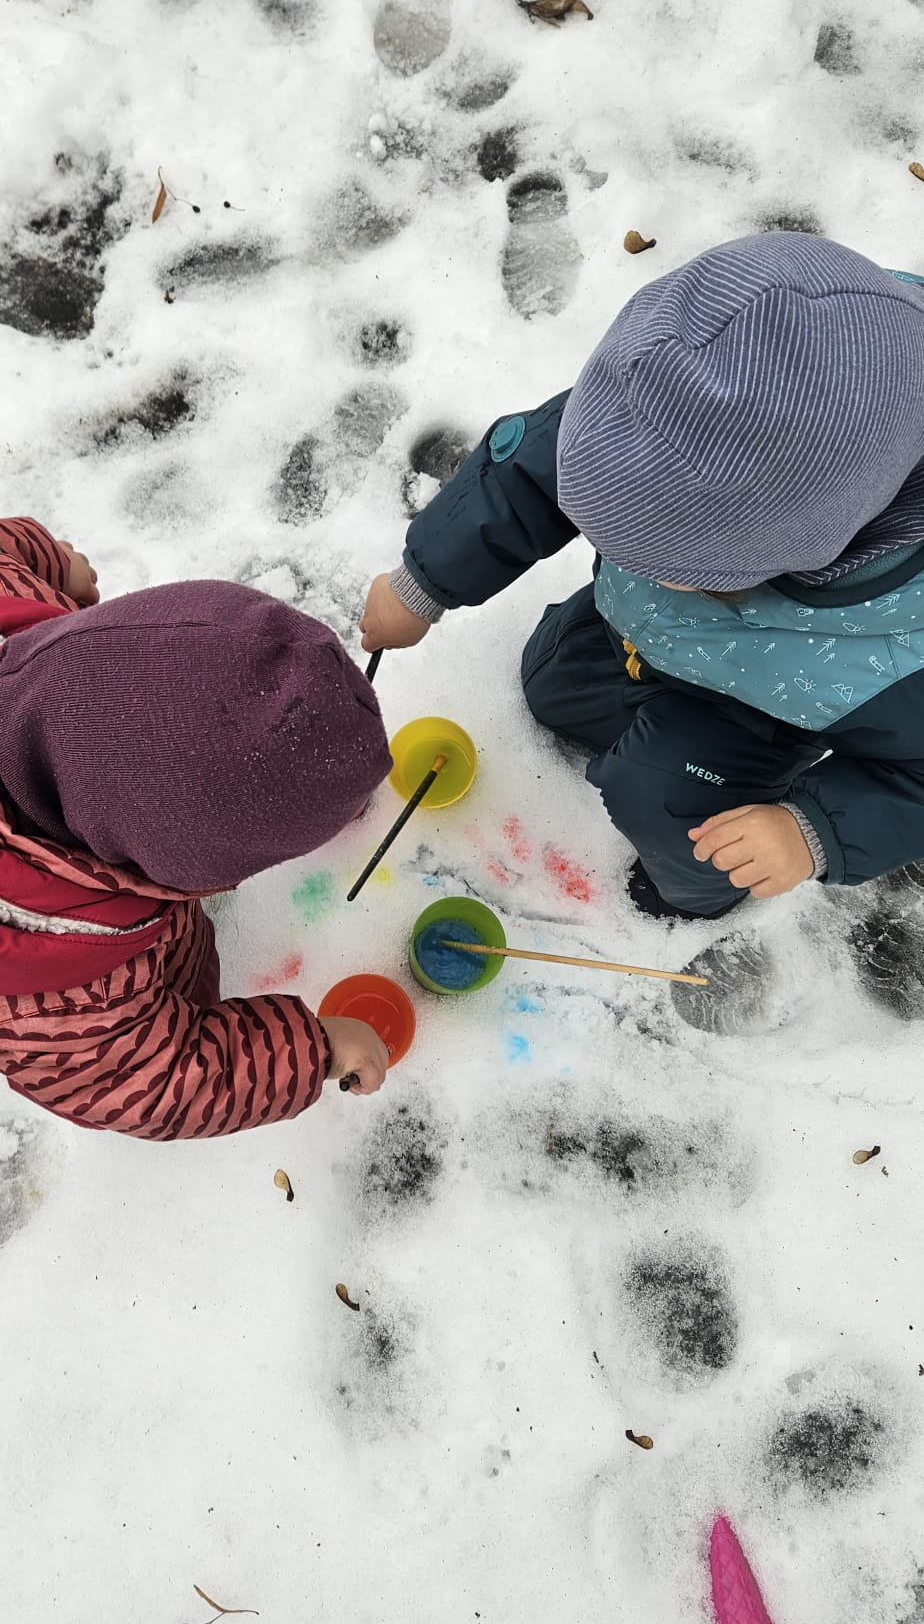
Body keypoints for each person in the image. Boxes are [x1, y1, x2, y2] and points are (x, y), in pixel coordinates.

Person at [361, 232, 924, 920]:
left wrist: (812, 835)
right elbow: (534, 473)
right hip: (648, 634)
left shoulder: (904, 651)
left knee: (662, 802)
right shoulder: (675, 405)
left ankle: (693, 894)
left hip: (767, 711)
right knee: (552, 681)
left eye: (672, 563)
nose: (617, 551)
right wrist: (425, 582)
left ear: (812, 548)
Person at [0, 518, 392, 1137]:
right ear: (167, 863)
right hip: (115, 966)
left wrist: (51, 559)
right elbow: (162, 1081)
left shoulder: (24, 625)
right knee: (180, 998)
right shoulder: (62, 998)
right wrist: (314, 1050)